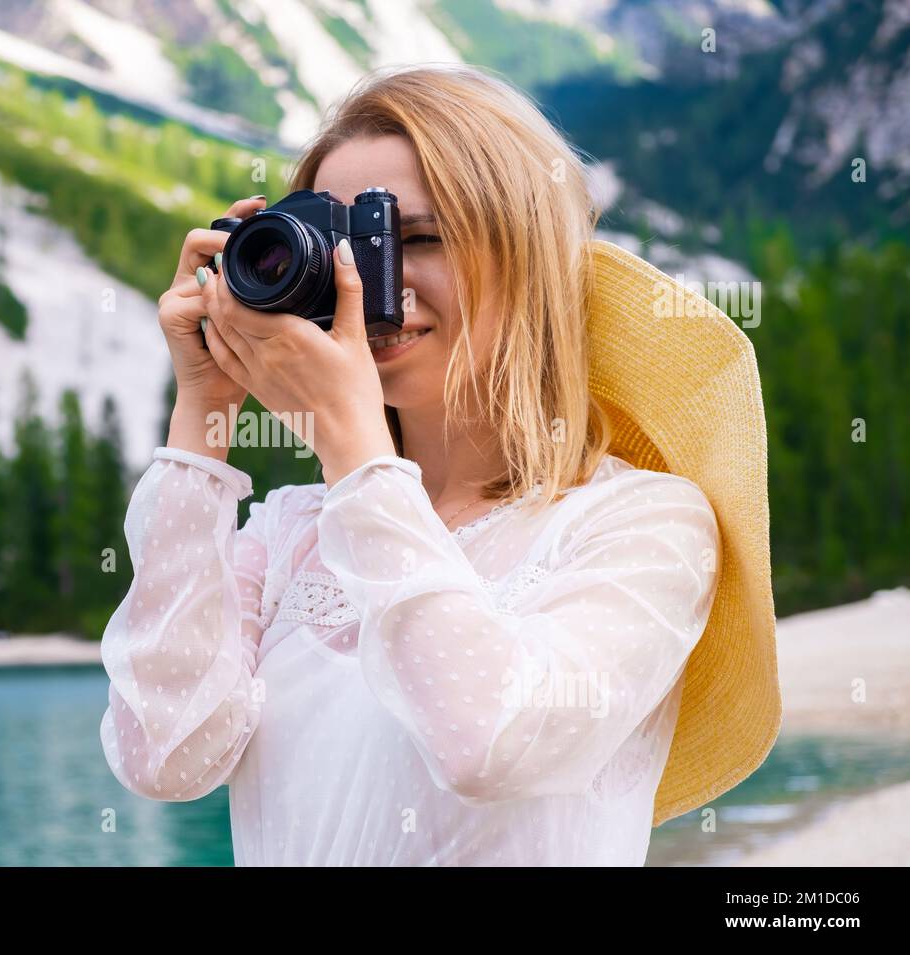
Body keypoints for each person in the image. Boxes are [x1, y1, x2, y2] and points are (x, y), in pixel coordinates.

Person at [98, 64, 781, 865]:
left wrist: (353, 450)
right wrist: (203, 411)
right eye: (340, 249)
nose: (370, 286)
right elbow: (166, 757)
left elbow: (490, 745)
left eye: (412, 239)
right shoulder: (290, 534)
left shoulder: (640, 524)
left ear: (527, 258)